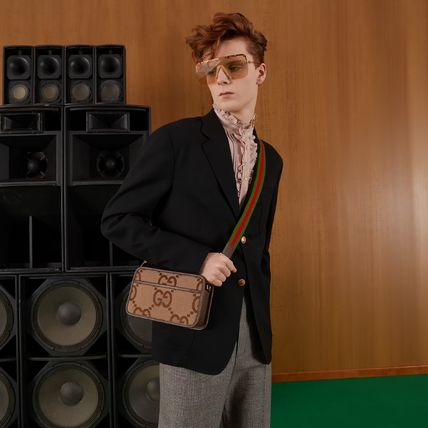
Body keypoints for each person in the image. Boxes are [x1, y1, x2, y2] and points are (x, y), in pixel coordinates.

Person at [101, 12, 283, 428]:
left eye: (234, 65)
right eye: (211, 69)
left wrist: (263, 331)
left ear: (260, 72)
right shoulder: (175, 141)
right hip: (192, 327)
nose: (222, 78)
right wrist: (198, 258)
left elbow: (260, 249)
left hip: (254, 336)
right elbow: (118, 220)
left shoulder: (272, 160)